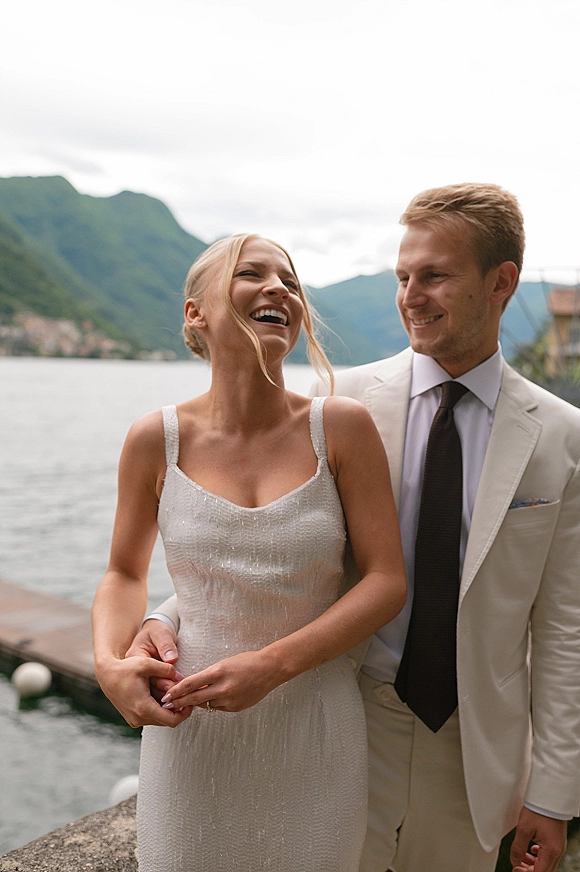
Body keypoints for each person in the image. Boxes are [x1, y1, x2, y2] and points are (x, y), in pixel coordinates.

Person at [136, 184, 580, 872]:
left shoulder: (561, 436)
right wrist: (168, 615)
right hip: (339, 724)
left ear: (502, 283)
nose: (410, 295)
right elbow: (280, 540)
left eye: (434, 276)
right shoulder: (339, 402)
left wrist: (552, 797)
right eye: (404, 276)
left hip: (475, 751)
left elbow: (564, 629)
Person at [91, 233, 407, 872]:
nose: (278, 290)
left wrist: (271, 665)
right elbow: (124, 571)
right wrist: (106, 663)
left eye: (290, 282)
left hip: (315, 725)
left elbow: (385, 581)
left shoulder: (339, 428)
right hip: (192, 730)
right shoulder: (156, 438)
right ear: (195, 313)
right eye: (251, 274)